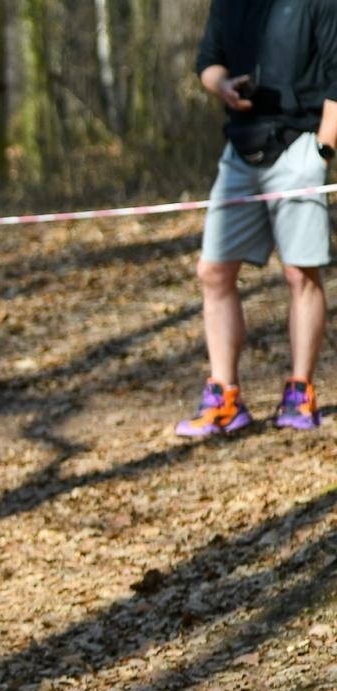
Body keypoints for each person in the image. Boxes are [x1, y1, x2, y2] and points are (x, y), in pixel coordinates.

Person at [176, 1, 337, 436]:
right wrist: (223, 85)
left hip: (301, 145)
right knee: (213, 271)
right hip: (241, 150)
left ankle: (300, 392)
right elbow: (208, 63)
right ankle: (225, 396)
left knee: (300, 273)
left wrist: (322, 151)